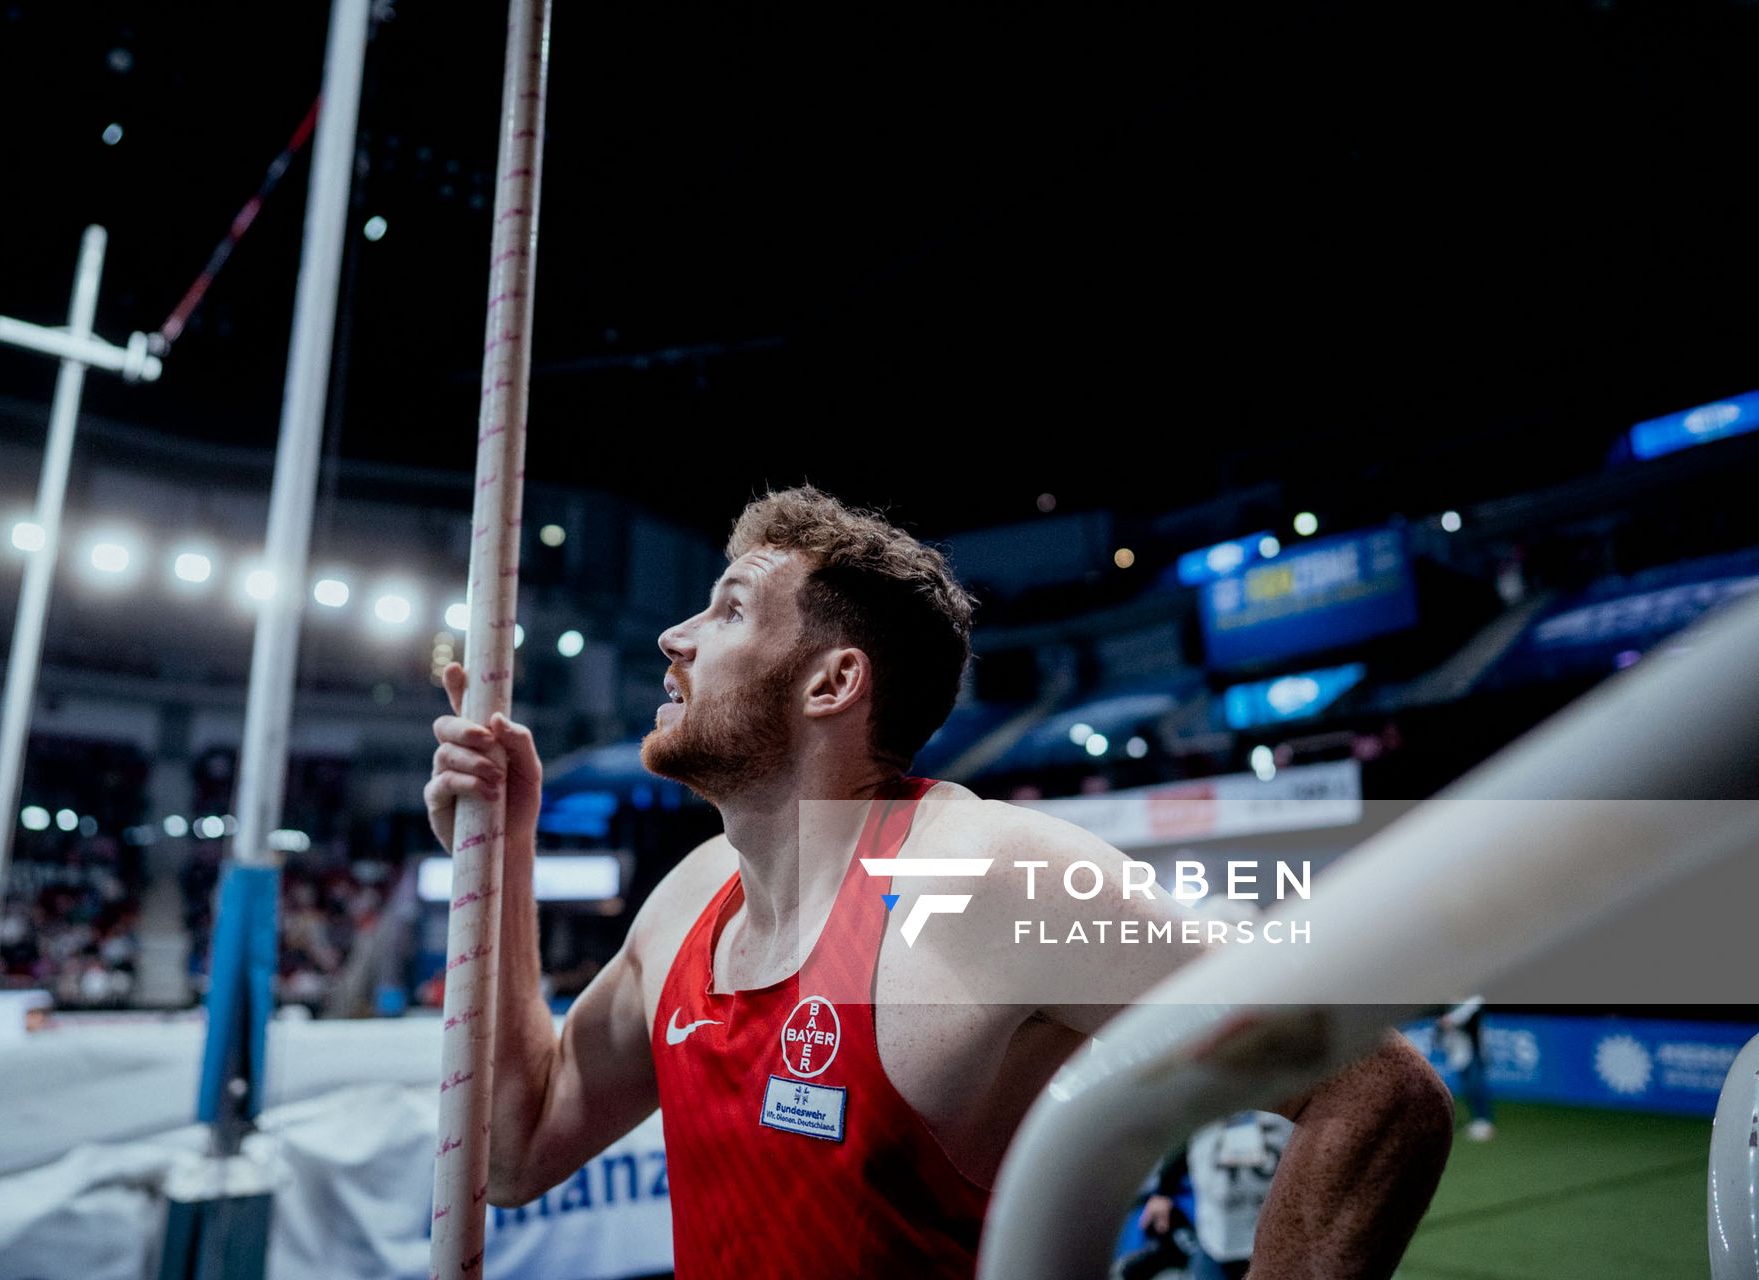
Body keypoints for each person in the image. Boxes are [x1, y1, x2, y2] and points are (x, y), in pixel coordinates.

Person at [425, 486, 1452, 1278]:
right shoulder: (690, 898)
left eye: (728, 608)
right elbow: (514, 1151)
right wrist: (502, 853)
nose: (673, 637)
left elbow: (1376, 1091)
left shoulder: (983, 875)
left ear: (833, 680)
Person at [1135, 1111, 1295, 1280]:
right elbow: (1181, 1139)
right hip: (1215, 1241)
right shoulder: (1203, 1098)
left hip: (1281, 1243)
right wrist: (1163, 1192)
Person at [1437, 995, 1495, 1140]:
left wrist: (1451, 1021)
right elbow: (1444, 1024)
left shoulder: (1475, 1001)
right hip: (1459, 1053)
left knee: (1475, 1086)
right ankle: (1478, 1121)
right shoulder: (1453, 1002)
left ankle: (1485, 1122)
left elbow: (1468, 1021)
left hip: (1475, 1053)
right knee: (1468, 1088)